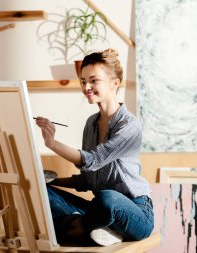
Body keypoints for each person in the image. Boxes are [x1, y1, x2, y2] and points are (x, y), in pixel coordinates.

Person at [35, 49, 154, 246]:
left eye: (93, 80)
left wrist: (52, 144)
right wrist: (47, 181)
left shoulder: (129, 125)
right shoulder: (91, 124)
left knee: (108, 198)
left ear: (114, 83)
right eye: (83, 81)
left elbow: (92, 160)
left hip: (135, 212)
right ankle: (98, 230)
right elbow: (87, 180)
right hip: (98, 210)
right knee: (43, 193)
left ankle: (77, 227)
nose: (86, 87)